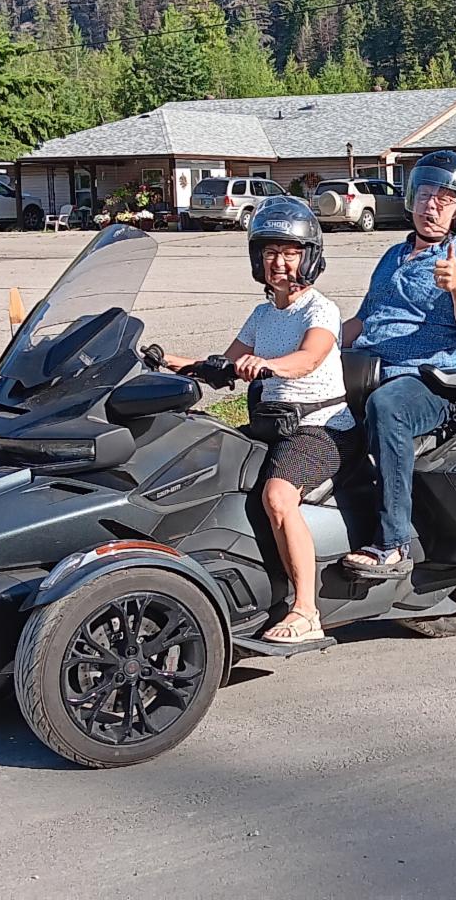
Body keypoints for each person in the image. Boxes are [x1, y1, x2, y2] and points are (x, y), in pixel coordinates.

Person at [164, 198, 357, 644]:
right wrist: (168, 362)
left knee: (278, 497)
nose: (279, 262)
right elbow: (223, 364)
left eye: (290, 252)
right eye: (270, 252)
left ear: (310, 257)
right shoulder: (263, 314)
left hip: (322, 427)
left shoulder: (319, 309)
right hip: (275, 424)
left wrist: (268, 365)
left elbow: (309, 358)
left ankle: (306, 612)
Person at [340, 150, 456, 580]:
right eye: (426, 195)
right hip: (366, 369)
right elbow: (364, 320)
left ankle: (393, 543)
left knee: (388, 406)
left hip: (428, 383)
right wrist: (314, 348)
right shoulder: (392, 255)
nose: (432, 206)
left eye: (445, 199)